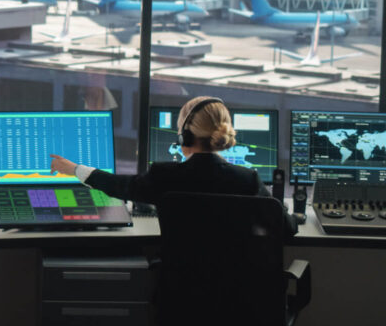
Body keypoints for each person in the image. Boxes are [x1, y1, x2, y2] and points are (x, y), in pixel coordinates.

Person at [49, 96, 297, 235]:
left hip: (182, 302)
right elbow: (287, 228)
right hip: (241, 305)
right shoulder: (248, 180)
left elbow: (118, 186)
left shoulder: (164, 176)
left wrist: (73, 169)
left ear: (184, 137)